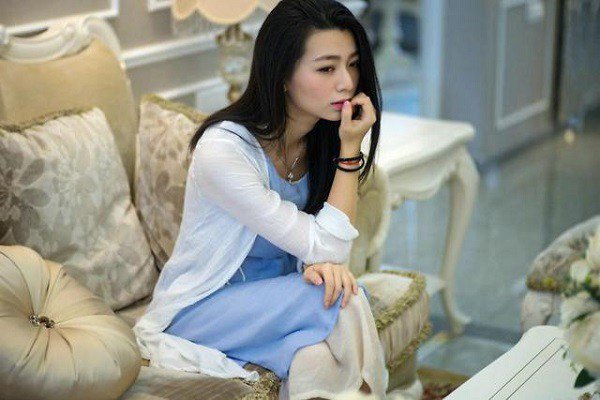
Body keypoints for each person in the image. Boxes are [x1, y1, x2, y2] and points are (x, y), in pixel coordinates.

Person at [133, 0, 388, 398]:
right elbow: (331, 248)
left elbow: (324, 252)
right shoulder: (224, 151)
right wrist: (350, 151)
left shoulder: (320, 139)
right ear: (283, 74)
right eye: (326, 68)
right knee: (344, 299)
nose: (346, 82)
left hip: (277, 303)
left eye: (352, 64)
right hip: (205, 310)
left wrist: (318, 263)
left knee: (316, 360)